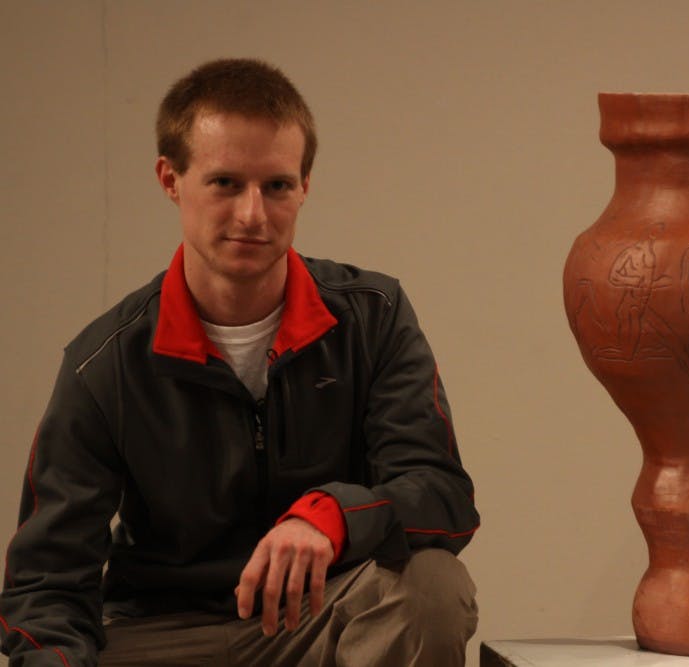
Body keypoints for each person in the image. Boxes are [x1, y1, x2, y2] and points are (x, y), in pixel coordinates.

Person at [0, 58, 479, 667]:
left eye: (276, 185)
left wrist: (331, 515)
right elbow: (45, 586)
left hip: (321, 625)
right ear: (170, 179)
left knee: (433, 586)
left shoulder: (373, 317)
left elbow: (441, 496)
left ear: (305, 185)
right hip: (162, 634)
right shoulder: (105, 364)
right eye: (225, 182)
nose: (253, 214)